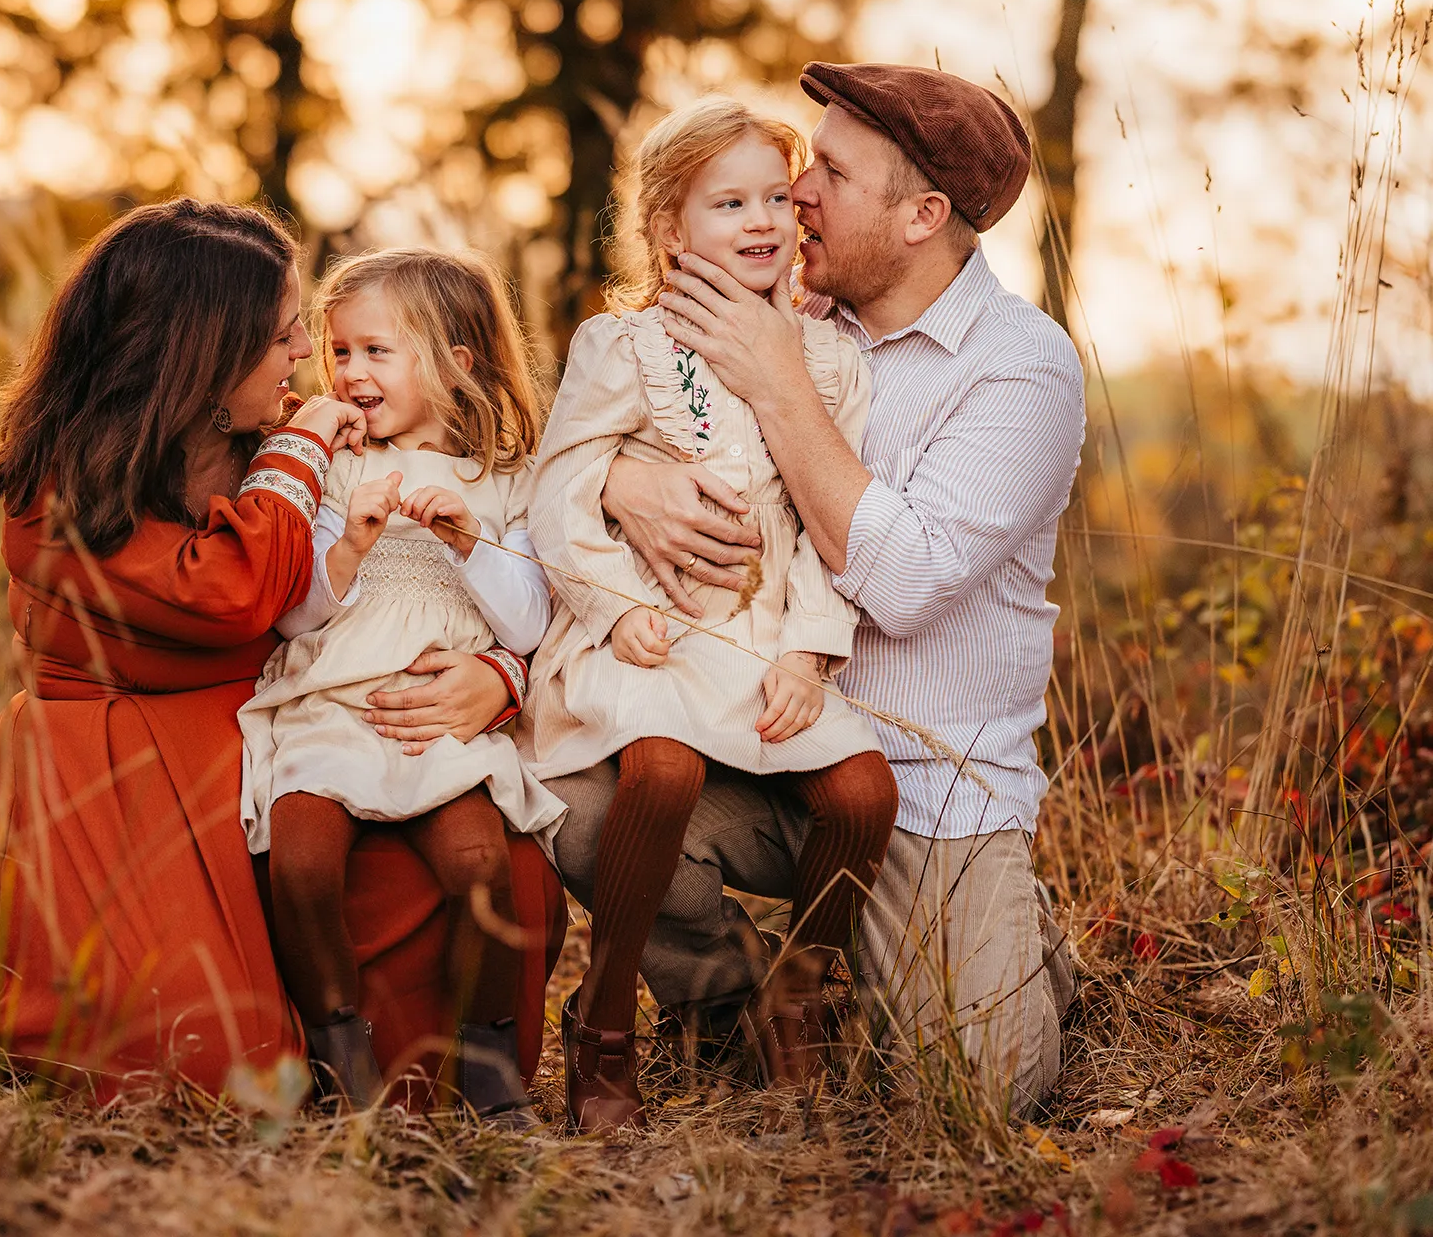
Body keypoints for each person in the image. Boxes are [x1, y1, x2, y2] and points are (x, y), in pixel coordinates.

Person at [564, 63, 1085, 1120]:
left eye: (830, 174)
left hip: (925, 793)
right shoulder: (783, 310)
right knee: (578, 808)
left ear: (921, 216)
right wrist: (626, 481)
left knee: (976, 1097)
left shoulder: (1018, 371)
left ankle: (1015, 937)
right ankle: (728, 1003)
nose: (797, 193)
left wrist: (777, 382)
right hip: (754, 740)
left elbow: (901, 582)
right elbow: (608, 430)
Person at [0, 200, 564, 1107]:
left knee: (506, 874)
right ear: (207, 352)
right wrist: (304, 445)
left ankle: (448, 1077)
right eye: (289, 337)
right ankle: (325, 1045)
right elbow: (238, 592)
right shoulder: (69, 482)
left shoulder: (276, 434)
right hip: (137, 770)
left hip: (304, 728)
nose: (307, 362)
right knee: (212, 1064)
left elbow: (477, 581)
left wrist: (500, 675)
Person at [524, 97, 900, 1132]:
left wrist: (809, 652)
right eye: (727, 200)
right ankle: (603, 1027)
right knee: (659, 766)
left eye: (776, 197)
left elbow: (834, 527)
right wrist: (606, 609)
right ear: (666, 230)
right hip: (650, 625)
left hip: (765, 638)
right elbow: (557, 490)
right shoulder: (622, 346)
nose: (761, 219)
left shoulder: (831, 362)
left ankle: (799, 995)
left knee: (863, 793)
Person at [238, 247, 566, 1123]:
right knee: (301, 857)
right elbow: (291, 614)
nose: (349, 372)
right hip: (329, 709)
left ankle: (488, 1066)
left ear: (456, 362)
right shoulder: (331, 464)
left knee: (480, 865)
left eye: (376, 351)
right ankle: (344, 1058)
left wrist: (468, 545)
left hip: (439, 727)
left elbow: (529, 624)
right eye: (339, 352)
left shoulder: (503, 480)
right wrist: (347, 545)